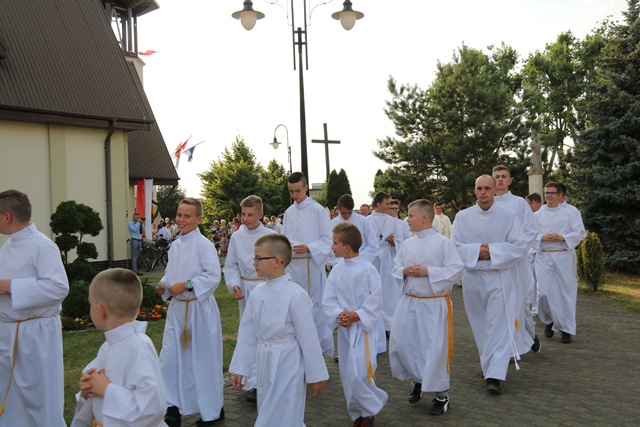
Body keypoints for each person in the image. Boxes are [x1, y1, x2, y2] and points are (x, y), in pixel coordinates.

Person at [230, 233, 328, 427]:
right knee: (268, 408)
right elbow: (248, 333)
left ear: (277, 261)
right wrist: (241, 368)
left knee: (285, 413)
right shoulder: (257, 292)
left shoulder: (296, 294)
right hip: (264, 359)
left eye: (258, 258)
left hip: (288, 362)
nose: (254, 263)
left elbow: (309, 339)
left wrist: (315, 375)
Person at [452, 175, 528, 394]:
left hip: (499, 276)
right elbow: (454, 246)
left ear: (495, 190)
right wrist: (478, 251)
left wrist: (492, 252)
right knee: (480, 324)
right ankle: (488, 364)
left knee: (499, 324)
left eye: (487, 188)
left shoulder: (509, 216)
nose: (483, 192)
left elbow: (519, 246)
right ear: (475, 191)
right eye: (479, 188)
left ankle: (495, 374)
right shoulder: (462, 217)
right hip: (473, 277)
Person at [0, 189, 69, 427]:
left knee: (39, 396)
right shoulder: (8, 246)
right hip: (8, 331)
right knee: (10, 394)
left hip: (35, 333)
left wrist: (12, 286)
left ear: (7, 217)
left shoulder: (42, 246)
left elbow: (59, 288)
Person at [389, 199, 463, 415]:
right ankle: (419, 380)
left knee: (434, 349)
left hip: (434, 304)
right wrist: (405, 271)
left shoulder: (443, 243)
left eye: (411, 215)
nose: (407, 219)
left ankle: (441, 394)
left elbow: (456, 269)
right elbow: (396, 267)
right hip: (410, 302)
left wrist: (428, 272)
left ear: (423, 217)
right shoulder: (407, 244)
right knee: (406, 345)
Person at [156, 198, 224, 427]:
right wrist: (164, 284)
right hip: (177, 310)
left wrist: (186, 285)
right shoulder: (175, 245)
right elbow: (170, 273)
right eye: (179, 215)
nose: (181, 220)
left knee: (202, 361)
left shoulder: (204, 245)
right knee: (170, 360)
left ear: (198, 219)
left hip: (198, 309)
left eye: (187, 216)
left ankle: (212, 410)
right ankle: (172, 407)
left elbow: (213, 276)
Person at [70, 268, 166, 427]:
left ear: (101, 310)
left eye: (90, 303)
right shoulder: (108, 346)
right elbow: (98, 390)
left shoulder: (139, 347)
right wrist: (88, 389)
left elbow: (153, 407)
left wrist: (106, 390)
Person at [323, 222, 387, 426]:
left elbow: (376, 298)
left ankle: (368, 412)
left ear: (347, 247)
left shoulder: (368, 269)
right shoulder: (337, 270)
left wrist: (357, 315)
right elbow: (328, 298)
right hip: (345, 330)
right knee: (347, 373)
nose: (332, 247)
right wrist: (339, 314)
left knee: (362, 372)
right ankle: (357, 413)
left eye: (335, 243)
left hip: (363, 330)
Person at [281, 172, 334, 357]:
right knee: (293, 306)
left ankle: (316, 350)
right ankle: (296, 350)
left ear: (306, 188)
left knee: (314, 307)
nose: (294, 195)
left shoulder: (318, 211)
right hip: (292, 266)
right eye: (291, 191)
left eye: (298, 191)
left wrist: (309, 248)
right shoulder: (289, 212)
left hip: (311, 264)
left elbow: (328, 240)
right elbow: (284, 238)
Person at [493, 165, 539, 355]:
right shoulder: (486, 204)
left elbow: (531, 230)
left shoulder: (519, 203)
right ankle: (509, 348)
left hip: (516, 262)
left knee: (520, 303)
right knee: (499, 305)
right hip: (494, 262)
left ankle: (529, 333)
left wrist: (513, 251)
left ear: (510, 181)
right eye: (497, 176)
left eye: (504, 176)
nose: (500, 180)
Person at [535, 182, 586, 344]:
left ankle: (566, 329)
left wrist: (563, 237)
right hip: (544, 256)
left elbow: (580, 232)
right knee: (544, 292)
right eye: (546, 193)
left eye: (552, 193)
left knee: (565, 293)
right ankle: (550, 320)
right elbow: (528, 235)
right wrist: (542, 237)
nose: (549, 195)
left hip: (563, 256)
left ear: (559, 195)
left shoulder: (570, 213)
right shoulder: (537, 215)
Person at [366, 191, 404, 347]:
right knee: (372, 291)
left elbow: (400, 241)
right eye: (387, 204)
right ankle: (375, 323)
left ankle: (389, 325)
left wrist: (393, 242)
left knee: (389, 292)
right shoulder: (367, 220)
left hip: (388, 258)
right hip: (372, 258)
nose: (389, 206)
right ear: (378, 204)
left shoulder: (393, 221)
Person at [330, 194, 379, 265]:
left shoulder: (363, 221)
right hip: (341, 264)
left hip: (362, 261)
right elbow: (330, 247)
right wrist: (342, 262)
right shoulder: (332, 224)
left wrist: (359, 259)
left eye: (349, 212)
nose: (347, 215)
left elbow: (373, 244)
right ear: (338, 208)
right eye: (344, 213)